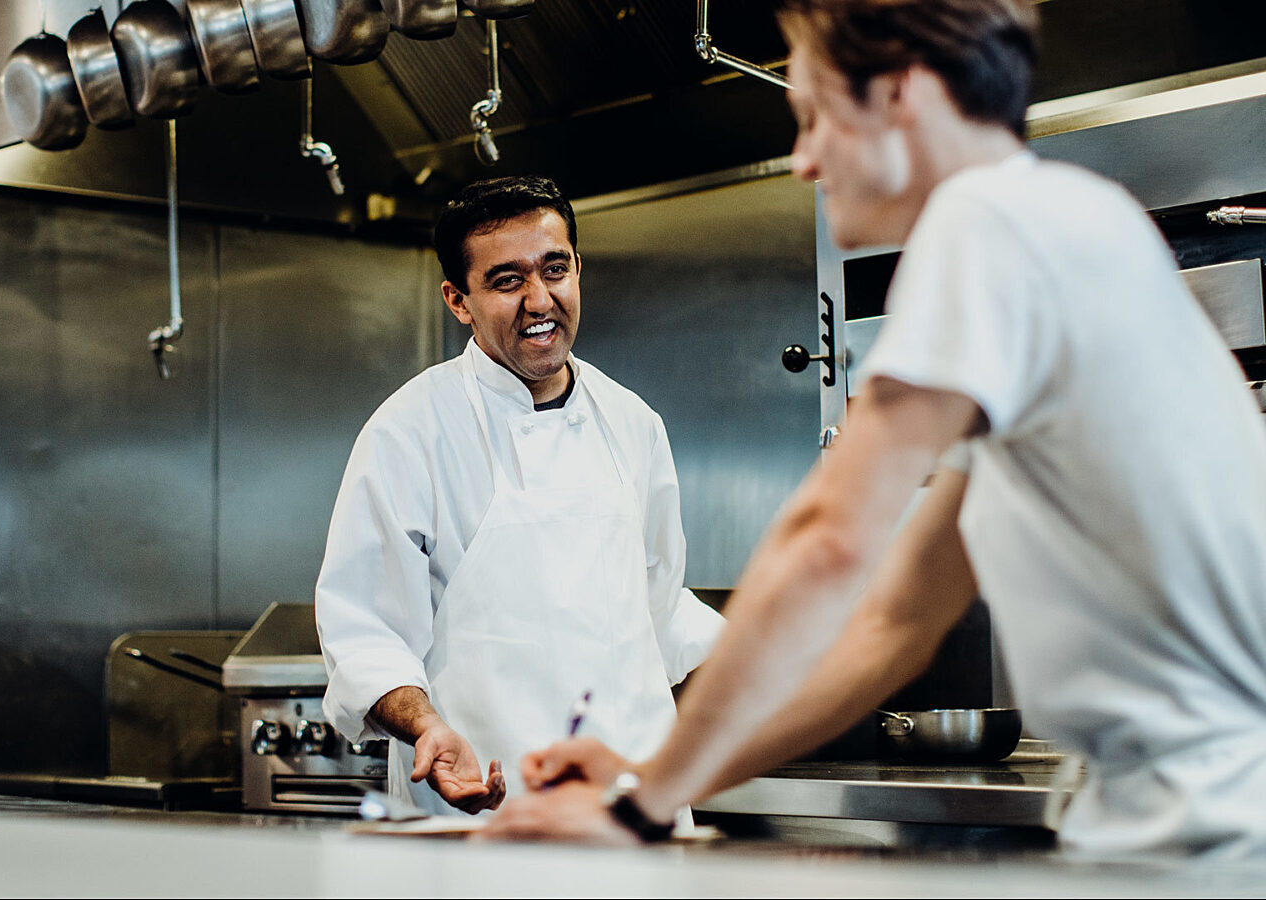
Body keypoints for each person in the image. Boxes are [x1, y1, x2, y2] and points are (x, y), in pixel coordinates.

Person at [484, 0, 1266, 858]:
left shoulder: (989, 223)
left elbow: (828, 542)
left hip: (1213, 828)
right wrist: (651, 777)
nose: (805, 158)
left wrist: (636, 812)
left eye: (816, 116)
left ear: (903, 92)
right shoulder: (1066, 231)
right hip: (1183, 818)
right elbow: (895, 622)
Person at [314, 176, 725, 816]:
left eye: (555, 269)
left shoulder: (632, 421)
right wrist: (426, 727)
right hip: (484, 808)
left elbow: (658, 606)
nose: (540, 300)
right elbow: (364, 631)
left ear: (578, 270)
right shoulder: (409, 430)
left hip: (633, 810)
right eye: (507, 281)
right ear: (459, 300)